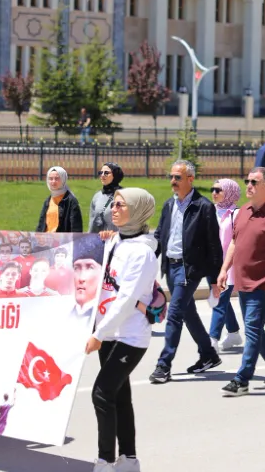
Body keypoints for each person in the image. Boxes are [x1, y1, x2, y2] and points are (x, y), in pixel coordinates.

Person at [88, 187, 159, 472]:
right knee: (119, 396)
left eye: (121, 205)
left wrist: (97, 334)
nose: (113, 210)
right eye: (113, 205)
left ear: (138, 211)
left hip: (129, 336)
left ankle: (105, 461)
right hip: (109, 331)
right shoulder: (116, 240)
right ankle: (128, 459)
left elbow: (127, 300)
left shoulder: (142, 253)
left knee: (101, 393)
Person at [216, 167, 265, 397]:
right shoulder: (242, 212)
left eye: (254, 182)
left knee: (251, 327)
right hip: (242, 279)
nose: (248, 185)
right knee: (254, 329)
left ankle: (242, 379)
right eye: (247, 181)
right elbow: (233, 244)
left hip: (264, 281)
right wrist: (223, 270)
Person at [148, 160, 223, 383]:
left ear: (190, 179)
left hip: (188, 269)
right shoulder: (169, 205)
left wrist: (215, 279)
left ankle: (163, 365)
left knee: (175, 314)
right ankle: (208, 354)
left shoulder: (203, 206)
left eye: (177, 177)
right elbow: (160, 235)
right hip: (169, 267)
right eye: (171, 177)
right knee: (188, 312)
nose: (173, 181)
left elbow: (213, 245)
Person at [209, 179, 242, 352]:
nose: (214, 193)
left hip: (229, 265)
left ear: (229, 192)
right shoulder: (209, 211)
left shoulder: (235, 214)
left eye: (219, 190)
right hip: (211, 264)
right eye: (213, 189)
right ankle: (234, 333)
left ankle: (212, 340)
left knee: (219, 300)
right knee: (222, 299)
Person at [37, 167, 83, 233]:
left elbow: (76, 228)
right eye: (50, 179)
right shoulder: (47, 201)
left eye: (57, 178)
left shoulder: (71, 201)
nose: (53, 181)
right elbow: (41, 225)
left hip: (64, 241)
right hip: (46, 240)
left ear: (63, 179)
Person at [90, 163, 124, 233]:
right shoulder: (97, 196)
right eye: (100, 173)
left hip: (119, 241)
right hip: (100, 240)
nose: (102, 175)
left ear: (115, 175)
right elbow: (92, 223)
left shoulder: (124, 195)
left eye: (106, 173)